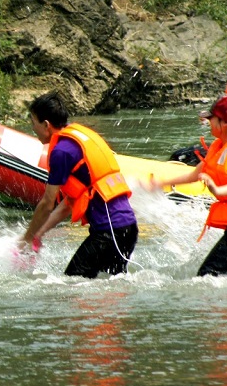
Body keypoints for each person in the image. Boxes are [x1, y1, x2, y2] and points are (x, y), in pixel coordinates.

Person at [18, 91, 138, 277]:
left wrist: (26, 239)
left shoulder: (61, 153)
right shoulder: (78, 140)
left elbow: (47, 203)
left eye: (33, 122)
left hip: (109, 232)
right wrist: (39, 233)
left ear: (46, 125)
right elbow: (69, 203)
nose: (32, 127)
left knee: (70, 286)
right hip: (128, 229)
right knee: (108, 290)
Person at [151, 95, 227, 276]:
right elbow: (193, 175)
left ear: (225, 123)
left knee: (208, 274)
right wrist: (160, 184)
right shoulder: (219, 147)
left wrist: (217, 190)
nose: (208, 122)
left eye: (211, 119)